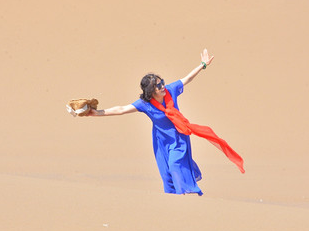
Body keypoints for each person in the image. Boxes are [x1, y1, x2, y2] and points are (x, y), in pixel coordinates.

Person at [88, 49, 241, 196]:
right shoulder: (144, 104)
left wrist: (203, 64)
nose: (162, 87)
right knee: (166, 171)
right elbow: (121, 109)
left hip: (179, 137)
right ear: (150, 91)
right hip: (161, 141)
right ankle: (172, 199)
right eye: (158, 85)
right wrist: (96, 113)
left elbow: (187, 79)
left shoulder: (170, 90)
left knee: (175, 164)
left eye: (162, 83)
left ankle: (181, 196)